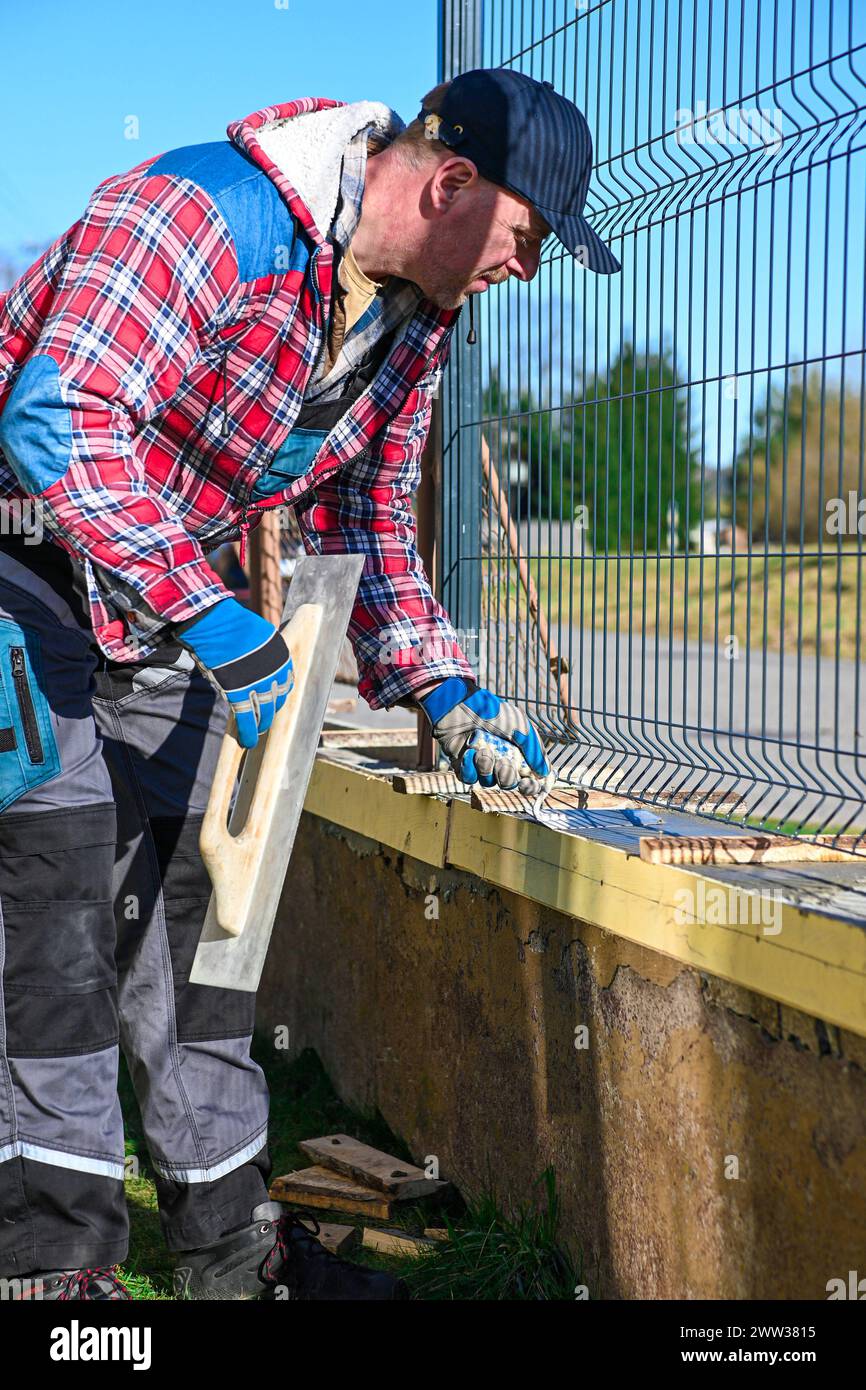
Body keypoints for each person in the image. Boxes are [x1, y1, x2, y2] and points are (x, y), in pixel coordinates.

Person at [0, 67, 620, 1301]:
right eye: (527, 236)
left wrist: (444, 691)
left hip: (154, 600)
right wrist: (220, 619)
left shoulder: (414, 319)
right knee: (59, 897)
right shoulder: (200, 216)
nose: (526, 269)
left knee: (205, 922)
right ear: (451, 184)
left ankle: (233, 1255)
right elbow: (56, 419)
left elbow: (365, 515)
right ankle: (53, 1268)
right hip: (20, 567)